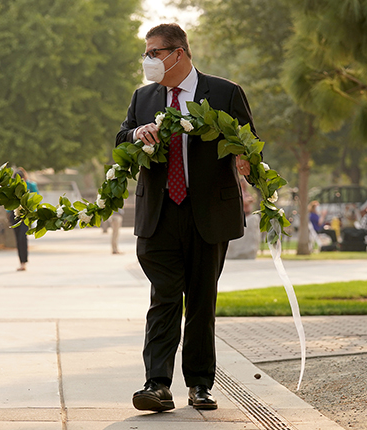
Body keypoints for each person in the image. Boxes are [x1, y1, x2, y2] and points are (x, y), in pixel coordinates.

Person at [116, 23, 257, 412]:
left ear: (179, 53)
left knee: (200, 300)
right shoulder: (143, 98)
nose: (148, 61)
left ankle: (199, 384)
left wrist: (246, 160)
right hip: (159, 214)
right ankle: (156, 384)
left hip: (208, 213)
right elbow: (120, 138)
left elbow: (247, 141)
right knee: (163, 297)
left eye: (154, 52)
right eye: (145, 53)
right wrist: (137, 134)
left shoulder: (225, 93)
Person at [8, 168, 38, 270]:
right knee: (18, 239)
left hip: (26, 214)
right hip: (14, 214)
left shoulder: (31, 185)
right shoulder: (11, 186)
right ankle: (21, 262)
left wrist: (32, 213)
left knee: (22, 237)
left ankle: (24, 262)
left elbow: (36, 199)